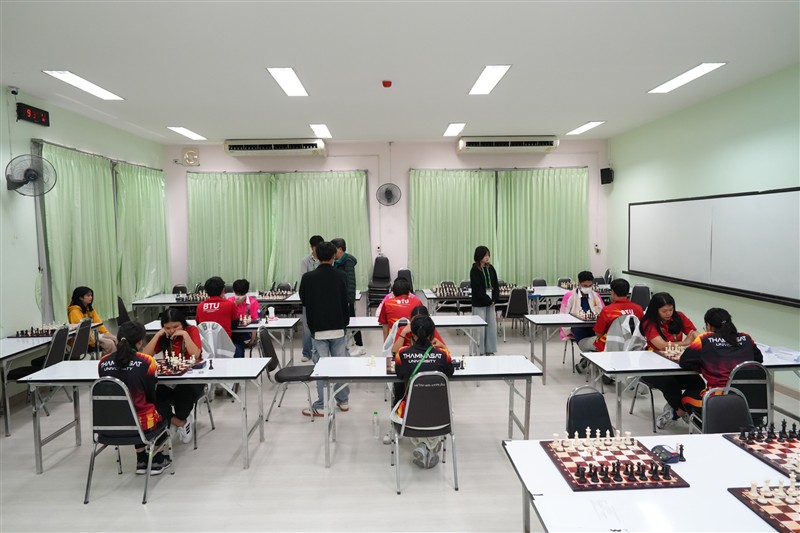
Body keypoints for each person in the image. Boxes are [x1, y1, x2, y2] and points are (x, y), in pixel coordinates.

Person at [98, 321, 171, 474]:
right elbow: (151, 394)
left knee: (129, 409)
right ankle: (157, 459)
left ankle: (141, 459)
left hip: (109, 425)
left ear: (118, 339)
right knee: (159, 408)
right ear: (140, 342)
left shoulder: (103, 362)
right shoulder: (147, 361)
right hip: (141, 425)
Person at [391, 315, 454, 469]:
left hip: (410, 415)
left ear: (412, 334)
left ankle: (423, 445)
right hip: (441, 416)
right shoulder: (443, 355)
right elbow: (450, 372)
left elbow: (399, 374)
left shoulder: (403, 353)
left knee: (407, 406)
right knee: (430, 409)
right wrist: (443, 347)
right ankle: (429, 445)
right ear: (432, 334)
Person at [679, 307, 763, 417]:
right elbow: (758, 359)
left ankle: (704, 423)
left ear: (708, 325)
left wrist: (704, 366)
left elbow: (684, 361)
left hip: (718, 401)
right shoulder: (746, 338)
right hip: (751, 399)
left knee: (687, 397)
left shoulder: (705, 339)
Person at [299, 241, 351, 417]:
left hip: (318, 329)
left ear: (316, 256)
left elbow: (304, 300)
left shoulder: (308, 278)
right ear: (333, 256)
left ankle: (322, 404)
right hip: (338, 327)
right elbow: (346, 300)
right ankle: (343, 400)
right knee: (341, 365)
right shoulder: (341, 276)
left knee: (321, 367)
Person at [638, 292, 704, 428]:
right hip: (652, 366)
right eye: (664, 311)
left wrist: (699, 339)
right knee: (671, 385)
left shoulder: (679, 317)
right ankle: (680, 410)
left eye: (671, 309)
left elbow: (694, 334)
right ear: (655, 310)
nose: (669, 313)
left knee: (698, 383)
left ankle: (677, 411)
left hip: (676, 363)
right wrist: (686, 343)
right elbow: (661, 346)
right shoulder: (648, 322)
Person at [142, 308, 204, 444]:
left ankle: (177, 419)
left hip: (191, 378)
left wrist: (185, 335)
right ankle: (180, 422)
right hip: (169, 378)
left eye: (176, 327)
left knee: (182, 407)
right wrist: (158, 334)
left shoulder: (191, 330)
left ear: (183, 323)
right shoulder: (164, 335)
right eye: (167, 328)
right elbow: (145, 356)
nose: (171, 331)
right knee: (150, 400)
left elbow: (196, 355)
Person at [577, 278, 644, 354]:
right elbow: (642, 330)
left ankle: (593, 359)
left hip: (610, 344)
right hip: (633, 345)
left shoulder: (607, 310)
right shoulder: (638, 309)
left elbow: (598, 334)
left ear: (613, 292)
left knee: (582, 343)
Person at [331, 237, 364, 356]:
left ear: (340, 249)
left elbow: (350, 282)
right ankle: (350, 345)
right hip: (340, 297)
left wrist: (349, 299)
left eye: (334, 250)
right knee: (347, 322)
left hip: (346, 298)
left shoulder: (347, 261)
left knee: (352, 322)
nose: (332, 253)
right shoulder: (338, 261)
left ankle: (360, 346)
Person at [67, 286, 118, 355]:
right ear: (80, 297)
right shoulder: (74, 312)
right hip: (85, 339)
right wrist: (94, 342)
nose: (91, 297)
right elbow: (82, 331)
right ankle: (105, 361)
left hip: (95, 335)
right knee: (109, 344)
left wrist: (107, 334)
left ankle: (117, 360)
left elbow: (99, 324)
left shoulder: (89, 309)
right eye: (88, 296)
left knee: (116, 339)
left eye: (91, 295)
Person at [559, 270, 605, 342]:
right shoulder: (569, 296)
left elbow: (603, 312)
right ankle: (588, 346)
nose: (588, 288)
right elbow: (563, 316)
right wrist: (568, 331)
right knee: (584, 336)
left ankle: (591, 346)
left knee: (600, 336)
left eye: (590, 286)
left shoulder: (595, 295)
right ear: (579, 284)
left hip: (593, 325)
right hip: (576, 326)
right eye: (585, 286)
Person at [470, 245, 499, 356]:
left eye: (488, 255)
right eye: (485, 255)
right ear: (479, 256)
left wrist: (494, 299)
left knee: (491, 326)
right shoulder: (474, 270)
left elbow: (495, 285)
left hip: (491, 303)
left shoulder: (491, 268)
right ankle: (480, 350)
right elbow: (477, 288)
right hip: (479, 303)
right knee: (480, 328)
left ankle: (490, 349)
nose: (487, 257)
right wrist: (487, 300)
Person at [300, 235, 324, 363]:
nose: (317, 250)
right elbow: (304, 278)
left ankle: (319, 351)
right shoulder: (306, 261)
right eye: (315, 248)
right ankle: (306, 352)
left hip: (322, 296)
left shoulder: (325, 259)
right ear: (311, 247)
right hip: (310, 297)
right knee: (306, 327)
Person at [227, 279, 260, 358]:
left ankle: (239, 359)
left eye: (242, 294)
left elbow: (255, 322)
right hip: (231, 332)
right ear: (234, 292)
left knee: (238, 346)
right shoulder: (229, 301)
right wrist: (235, 304)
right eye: (237, 294)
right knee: (235, 345)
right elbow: (226, 318)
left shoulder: (253, 302)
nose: (239, 296)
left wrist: (253, 338)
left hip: (246, 333)